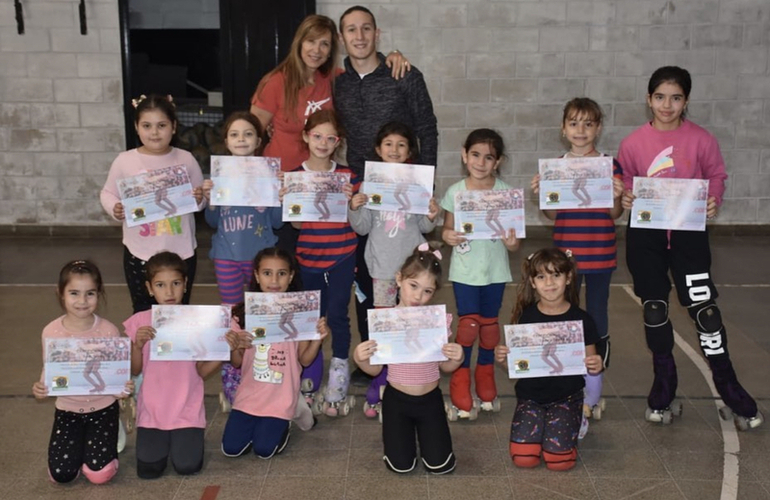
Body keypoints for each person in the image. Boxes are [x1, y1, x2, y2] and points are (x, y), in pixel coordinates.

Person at [619, 66, 763, 429]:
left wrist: (714, 199)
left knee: (705, 311)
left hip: (689, 234)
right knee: (655, 309)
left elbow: (716, 176)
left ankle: (729, 388)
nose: (667, 105)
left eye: (676, 98)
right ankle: (664, 388)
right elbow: (626, 181)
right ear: (648, 99)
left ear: (686, 101)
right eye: (660, 97)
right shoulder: (632, 142)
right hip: (646, 236)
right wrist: (627, 195)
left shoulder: (702, 139)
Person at [334, 6, 439, 385]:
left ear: (377, 34)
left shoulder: (403, 73)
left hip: (406, 194)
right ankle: (374, 358)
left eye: (366, 29)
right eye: (351, 30)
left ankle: (410, 354)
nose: (359, 36)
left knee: (408, 277)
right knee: (368, 278)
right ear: (342, 38)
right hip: (364, 192)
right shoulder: (339, 84)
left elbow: (427, 127)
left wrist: (425, 184)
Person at [250, 14, 407, 253]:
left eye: (324, 44)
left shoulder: (334, 79)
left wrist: (393, 55)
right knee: (283, 259)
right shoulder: (275, 82)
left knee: (319, 257)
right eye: (311, 41)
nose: (317, 50)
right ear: (299, 42)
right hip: (282, 187)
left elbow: (366, 70)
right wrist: (258, 179)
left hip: (321, 188)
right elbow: (251, 134)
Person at [531, 97, 624, 422]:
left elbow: (615, 213)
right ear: (563, 128)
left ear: (598, 128)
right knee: (564, 317)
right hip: (566, 259)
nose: (580, 130)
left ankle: (593, 386)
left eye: (588, 123)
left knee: (596, 317)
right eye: (574, 123)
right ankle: (565, 385)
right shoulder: (556, 166)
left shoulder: (610, 166)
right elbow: (551, 215)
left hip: (600, 254)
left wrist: (616, 195)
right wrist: (543, 194)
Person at [348, 121, 440, 418]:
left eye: (401, 144)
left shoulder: (417, 183)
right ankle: (383, 378)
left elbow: (425, 226)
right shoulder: (369, 184)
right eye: (388, 144)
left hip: (412, 268)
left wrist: (432, 214)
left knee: (411, 323)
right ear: (378, 149)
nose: (395, 150)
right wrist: (355, 206)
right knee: (386, 326)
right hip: (382, 268)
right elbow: (362, 227)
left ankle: (407, 377)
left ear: (409, 150)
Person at [124, 252, 240, 479]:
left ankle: (185, 437)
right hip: (152, 411)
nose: (169, 292)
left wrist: (224, 350)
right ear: (149, 288)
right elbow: (135, 370)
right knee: (149, 470)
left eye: (176, 283)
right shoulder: (140, 322)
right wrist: (137, 346)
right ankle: (159, 438)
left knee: (187, 466)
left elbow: (201, 372)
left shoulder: (199, 320)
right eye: (160, 285)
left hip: (187, 410)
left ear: (186, 284)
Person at [353, 244, 464, 474]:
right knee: (401, 466)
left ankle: (427, 436)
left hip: (430, 400)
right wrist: (360, 359)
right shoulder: (385, 321)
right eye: (413, 285)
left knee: (440, 465)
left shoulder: (436, 322)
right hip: (397, 400)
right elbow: (375, 370)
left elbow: (444, 367)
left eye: (427, 291)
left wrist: (457, 358)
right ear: (399, 279)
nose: (418, 296)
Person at [201, 111, 284, 413]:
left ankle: (263, 367)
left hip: (260, 260)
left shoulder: (268, 174)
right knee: (232, 317)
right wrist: (210, 199)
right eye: (235, 134)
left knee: (261, 315)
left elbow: (277, 223)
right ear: (226, 141)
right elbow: (212, 222)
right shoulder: (219, 175)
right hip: (226, 257)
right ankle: (232, 373)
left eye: (248, 134)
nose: (241, 140)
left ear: (259, 140)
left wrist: (280, 197)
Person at [494, 248, 603, 471]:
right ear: (533, 282)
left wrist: (595, 365)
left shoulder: (582, 319)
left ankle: (578, 417)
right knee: (524, 459)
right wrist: (503, 359)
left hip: (567, 397)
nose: (549, 283)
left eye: (556, 275)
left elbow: (591, 362)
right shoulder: (526, 317)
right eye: (541, 277)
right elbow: (518, 366)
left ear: (568, 278)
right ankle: (546, 424)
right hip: (530, 397)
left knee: (560, 462)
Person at [279, 109, 358, 417]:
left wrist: (353, 202)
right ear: (305, 136)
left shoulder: (348, 176)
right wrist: (290, 201)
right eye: (317, 136)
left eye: (330, 138)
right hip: (308, 258)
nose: (323, 143)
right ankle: (310, 373)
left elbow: (358, 221)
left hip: (342, 256)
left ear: (338, 141)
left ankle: (339, 372)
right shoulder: (294, 177)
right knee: (310, 318)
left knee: (337, 314)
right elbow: (297, 226)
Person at [100, 94, 205, 314]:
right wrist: (115, 207)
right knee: (142, 310)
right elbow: (107, 192)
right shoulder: (124, 160)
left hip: (181, 252)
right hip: (140, 252)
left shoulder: (186, 159)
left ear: (173, 127)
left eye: (161, 125)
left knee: (179, 310)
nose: (154, 132)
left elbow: (201, 197)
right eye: (147, 126)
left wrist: (199, 199)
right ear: (136, 127)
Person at [441, 129, 520, 419]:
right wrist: (448, 236)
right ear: (464, 155)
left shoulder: (506, 193)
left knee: (489, 328)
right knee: (468, 326)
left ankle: (485, 374)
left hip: (495, 272)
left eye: (488, 157)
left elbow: (515, 243)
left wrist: (512, 243)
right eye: (475, 154)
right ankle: (461, 378)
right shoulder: (455, 191)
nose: (481, 162)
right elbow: (446, 229)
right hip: (465, 272)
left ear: (498, 162)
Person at [221, 248, 329, 459]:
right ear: (256, 276)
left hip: (281, 396)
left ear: (291, 276)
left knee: (264, 450)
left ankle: (291, 411)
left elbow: (305, 360)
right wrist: (234, 347)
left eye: (281, 273)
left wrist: (318, 339)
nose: (274, 280)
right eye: (267, 273)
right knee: (231, 449)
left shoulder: (300, 312)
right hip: (249, 395)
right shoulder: (241, 315)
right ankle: (294, 407)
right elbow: (237, 363)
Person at [32, 260, 133, 484]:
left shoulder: (108, 330)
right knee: (61, 475)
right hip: (67, 411)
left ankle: (112, 437)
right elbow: (49, 368)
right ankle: (80, 450)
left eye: (90, 293)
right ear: (60, 293)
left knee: (99, 474)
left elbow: (115, 373)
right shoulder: (51, 331)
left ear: (99, 293)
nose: (82, 301)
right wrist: (41, 387)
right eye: (74, 293)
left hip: (103, 409)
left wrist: (122, 388)